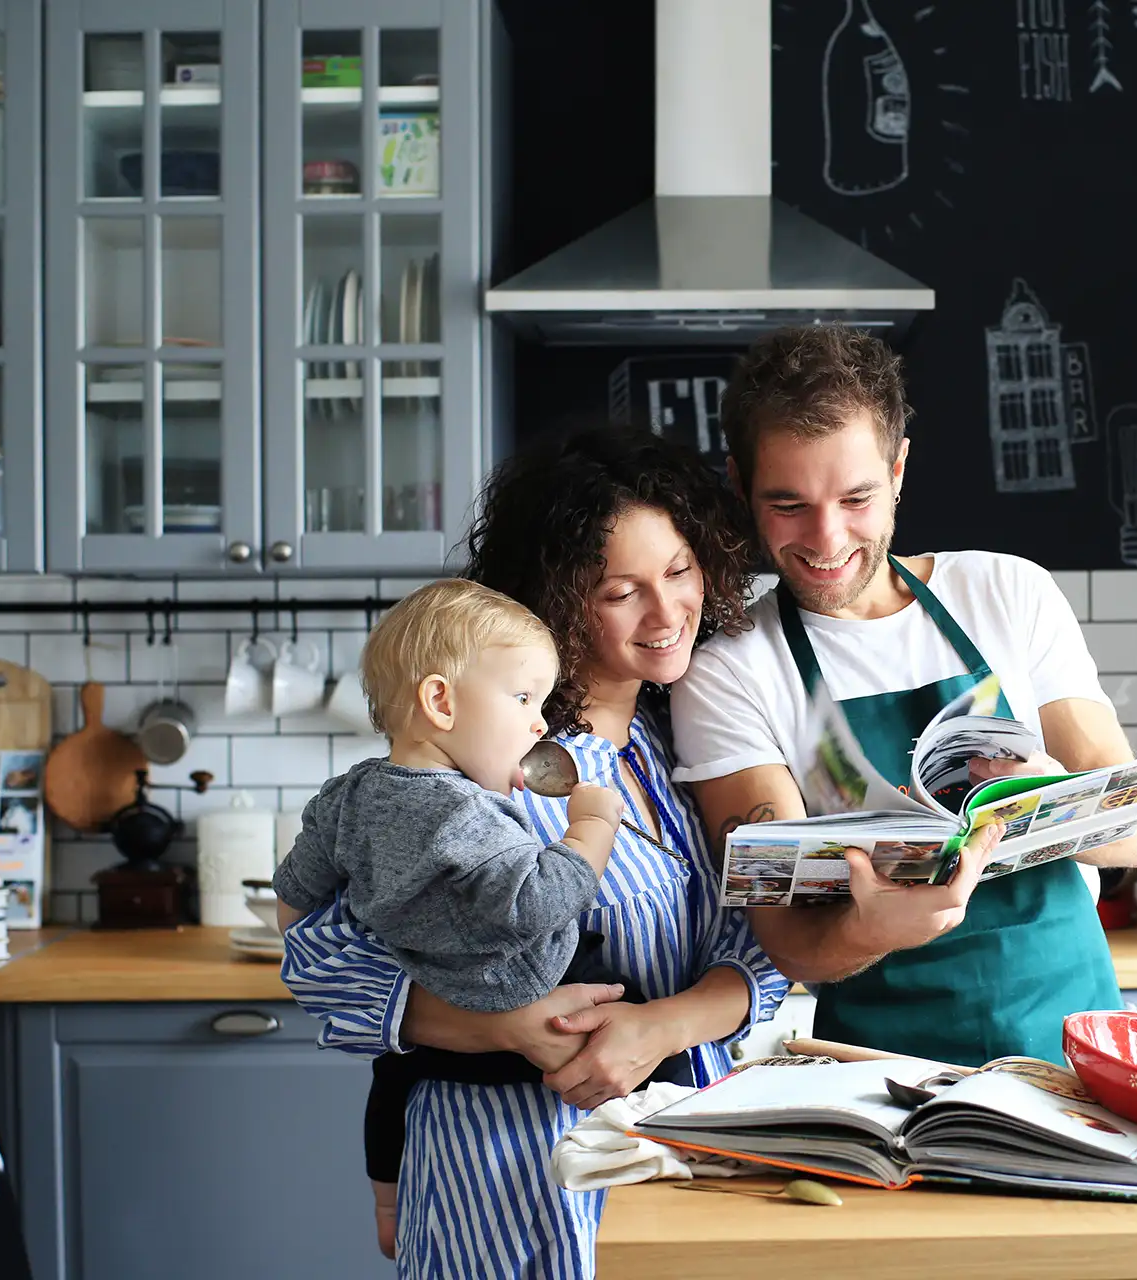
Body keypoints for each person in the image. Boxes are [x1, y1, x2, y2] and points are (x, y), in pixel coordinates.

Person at [277, 427, 809, 1278]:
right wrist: (505, 1025)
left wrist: (667, 1023)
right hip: (508, 1171)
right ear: (559, 599)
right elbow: (318, 963)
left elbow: (776, 938)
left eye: (679, 572)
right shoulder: (484, 768)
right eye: (620, 591)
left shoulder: (706, 734)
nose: (668, 613)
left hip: (695, 1154)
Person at [671, 324, 1137, 1068]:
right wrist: (878, 927)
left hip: (1073, 1047)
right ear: (741, 485)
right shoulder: (730, 670)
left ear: (899, 469)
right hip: (883, 1081)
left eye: (856, 497)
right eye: (788, 504)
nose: (826, 538)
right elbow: (790, 939)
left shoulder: (1006, 593)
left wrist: (1044, 799)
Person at [270, 578, 693, 1247]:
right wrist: (591, 826)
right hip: (522, 998)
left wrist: (311, 928)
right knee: (638, 1020)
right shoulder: (466, 812)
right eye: (524, 699)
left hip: (433, 1004)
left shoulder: (346, 795)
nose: (537, 722)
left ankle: (388, 1208)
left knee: (397, 1074)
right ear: (440, 701)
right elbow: (543, 900)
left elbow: (295, 894)